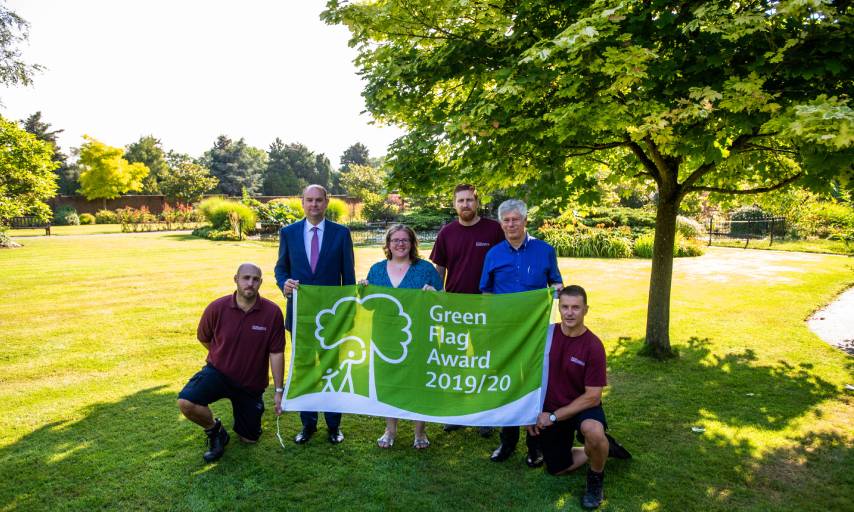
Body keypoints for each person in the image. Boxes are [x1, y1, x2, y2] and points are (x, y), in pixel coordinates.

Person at [526, 286, 631, 509]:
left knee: (592, 431)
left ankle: (595, 479)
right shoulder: (546, 335)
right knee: (556, 468)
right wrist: (529, 414)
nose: (569, 312)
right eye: (564, 307)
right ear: (559, 308)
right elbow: (528, 375)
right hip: (552, 406)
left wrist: (553, 417)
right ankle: (603, 448)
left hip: (582, 405)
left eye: (576, 307)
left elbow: (593, 397)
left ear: (586, 310)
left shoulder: (593, 346)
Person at [480, 198, 563, 466]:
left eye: (516, 219)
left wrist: (558, 291)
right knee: (506, 382)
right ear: (501, 223)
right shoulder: (493, 254)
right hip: (504, 332)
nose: (511, 224)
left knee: (533, 384)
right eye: (506, 220)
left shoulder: (545, 250)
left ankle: (534, 445)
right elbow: (486, 291)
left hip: (535, 332)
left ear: (526, 220)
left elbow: (556, 283)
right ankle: (507, 442)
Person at [177, 263, 285, 463]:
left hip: (250, 383)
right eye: (245, 278)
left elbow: (276, 353)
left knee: (249, 439)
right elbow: (204, 338)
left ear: (261, 282)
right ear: (235, 279)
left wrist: (278, 390)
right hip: (218, 374)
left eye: (255, 279)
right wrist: (222, 354)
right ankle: (215, 431)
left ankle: (247, 420)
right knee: (186, 402)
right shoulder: (217, 308)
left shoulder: (272, 312)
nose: (250, 283)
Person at [274, 184, 356, 445]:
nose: (314, 205)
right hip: (301, 315)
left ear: (327, 202)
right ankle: (307, 425)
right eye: (309, 200)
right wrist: (284, 283)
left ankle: (334, 426)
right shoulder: (288, 233)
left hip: (333, 318)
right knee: (305, 368)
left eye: (319, 200)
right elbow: (281, 269)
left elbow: (349, 278)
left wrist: (348, 315)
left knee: (332, 369)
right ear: (302, 202)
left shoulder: (341, 234)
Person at [430, 184, 505, 437]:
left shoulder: (494, 230)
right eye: (460, 201)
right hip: (455, 309)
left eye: (469, 200)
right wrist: (437, 298)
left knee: (485, 361)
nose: (465, 205)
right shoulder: (446, 233)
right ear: (454, 204)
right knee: (455, 363)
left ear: (477, 202)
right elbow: (438, 270)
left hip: (487, 307)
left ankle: (487, 416)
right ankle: (457, 413)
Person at [362, 224, 443, 449]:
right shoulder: (377, 270)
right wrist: (364, 290)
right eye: (395, 240)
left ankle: (420, 432)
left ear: (412, 243)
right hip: (386, 336)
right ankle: (390, 430)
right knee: (389, 382)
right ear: (387, 244)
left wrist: (435, 295)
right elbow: (369, 308)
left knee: (418, 381)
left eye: (404, 240)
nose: (400, 244)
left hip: (420, 334)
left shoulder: (425, 269)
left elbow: (443, 301)